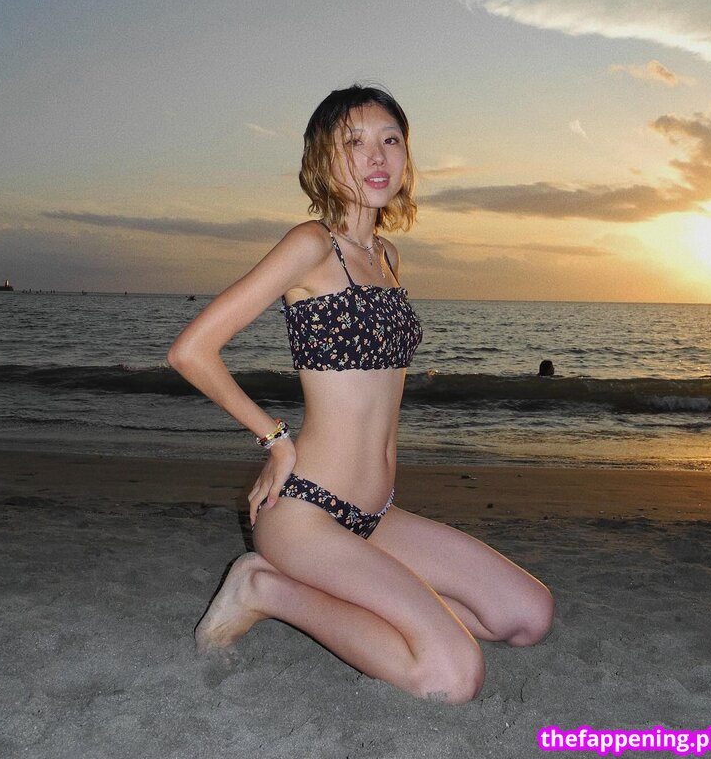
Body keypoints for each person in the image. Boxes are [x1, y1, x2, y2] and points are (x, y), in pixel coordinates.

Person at [168, 84, 553, 703]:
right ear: (324, 158)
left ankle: (379, 607)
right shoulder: (310, 245)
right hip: (307, 514)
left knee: (527, 616)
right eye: (355, 142)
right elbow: (191, 351)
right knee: (452, 677)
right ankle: (265, 588)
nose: (377, 157)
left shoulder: (389, 256)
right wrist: (275, 440)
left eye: (390, 140)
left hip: (375, 517)